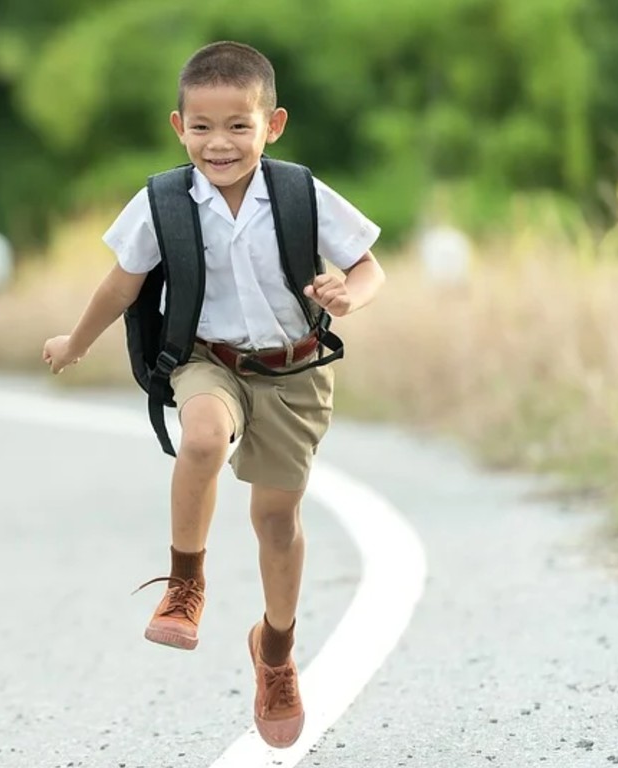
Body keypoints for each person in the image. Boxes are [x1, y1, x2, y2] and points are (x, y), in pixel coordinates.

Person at [42, 40, 385, 749]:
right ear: (179, 127)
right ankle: (186, 585)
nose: (219, 143)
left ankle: (277, 650)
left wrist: (348, 295)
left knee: (276, 522)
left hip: (293, 372)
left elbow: (367, 265)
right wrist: (76, 339)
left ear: (273, 124)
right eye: (202, 127)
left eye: (238, 126)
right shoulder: (163, 202)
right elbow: (123, 282)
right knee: (200, 437)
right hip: (209, 360)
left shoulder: (299, 194)